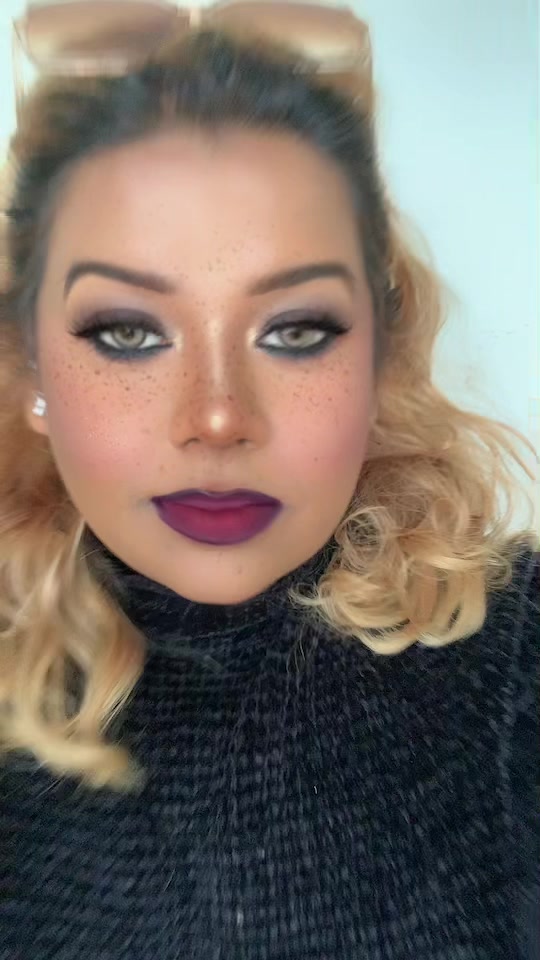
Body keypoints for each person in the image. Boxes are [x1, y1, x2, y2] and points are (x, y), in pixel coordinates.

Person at [0, 2, 538, 958]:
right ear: (28, 366)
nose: (217, 418)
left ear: (379, 360)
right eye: (127, 331)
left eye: (296, 330)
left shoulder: (517, 667)